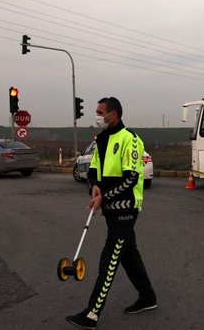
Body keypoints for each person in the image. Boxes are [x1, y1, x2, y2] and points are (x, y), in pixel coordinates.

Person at [66, 97, 157, 330]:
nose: (97, 116)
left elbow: (131, 178)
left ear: (113, 114)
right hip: (109, 208)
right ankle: (148, 297)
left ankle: (92, 313)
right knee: (128, 254)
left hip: (126, 208)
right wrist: (94, 187)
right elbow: (93, 170)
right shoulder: (101, 140)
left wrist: (104, 197)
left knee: (110, 259)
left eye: (100, 112)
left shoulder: (130, 139)